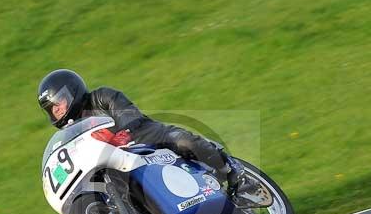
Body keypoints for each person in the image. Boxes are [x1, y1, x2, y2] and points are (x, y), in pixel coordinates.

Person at [37, 68, 249, 193]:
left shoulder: (101, 97)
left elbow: (129, 115)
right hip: (117, 162)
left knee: (184, 141)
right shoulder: (71, 133)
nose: (57, 112)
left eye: (59, 104)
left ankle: (230, 170)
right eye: (52, 110)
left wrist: (123, 134)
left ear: (71, 92)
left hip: (147, 137)